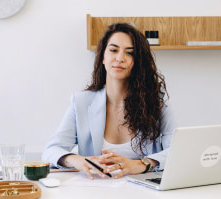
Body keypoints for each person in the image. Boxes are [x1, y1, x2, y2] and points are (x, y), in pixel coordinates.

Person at [42, 23, 177, 179]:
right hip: (97, 190)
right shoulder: (81, 102)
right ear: (103, 57)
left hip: (144, 190)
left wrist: (142, 164)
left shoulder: (157, 103)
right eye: (113, 50)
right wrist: (77, 160)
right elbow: (51, 150)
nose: (120, 58)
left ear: (138, 61)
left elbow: (176, 151)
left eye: (130, 53)